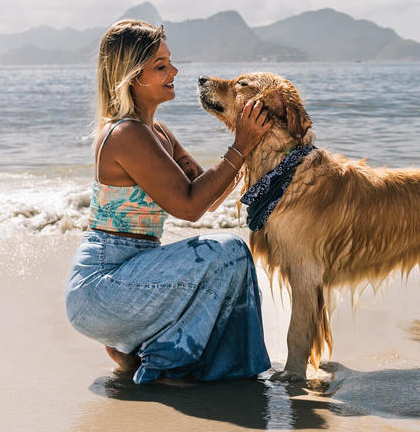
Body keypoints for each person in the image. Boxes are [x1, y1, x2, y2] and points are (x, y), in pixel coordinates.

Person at [65, 19, 273, 384]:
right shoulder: (126, 134)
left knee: (228, 257)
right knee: (228, 253)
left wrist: (251, 147)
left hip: (135, 272)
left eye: (170, 61)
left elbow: (206, 196)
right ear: (131, 77)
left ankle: (146, 343)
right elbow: (190, 207)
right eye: (161, 66)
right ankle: (166, 358)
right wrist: (240, 145)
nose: (174, 71)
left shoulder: (158, 133)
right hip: (104, 283)